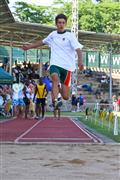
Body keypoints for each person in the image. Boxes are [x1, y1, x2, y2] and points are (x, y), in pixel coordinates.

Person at [22, 14, 84, 109]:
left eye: (63, 23)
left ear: (66, 24)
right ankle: (55, 101)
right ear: (56, 24)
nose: (61, 24)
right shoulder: (52, 35)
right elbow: (42, 42)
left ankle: (59, 92)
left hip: (67, 67)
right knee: (55, 78)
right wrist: (29, 46)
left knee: (66, 96)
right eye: (59, 22)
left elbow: (78, 49)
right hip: (55, 63)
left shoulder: (70, 36)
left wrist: (80, 62)